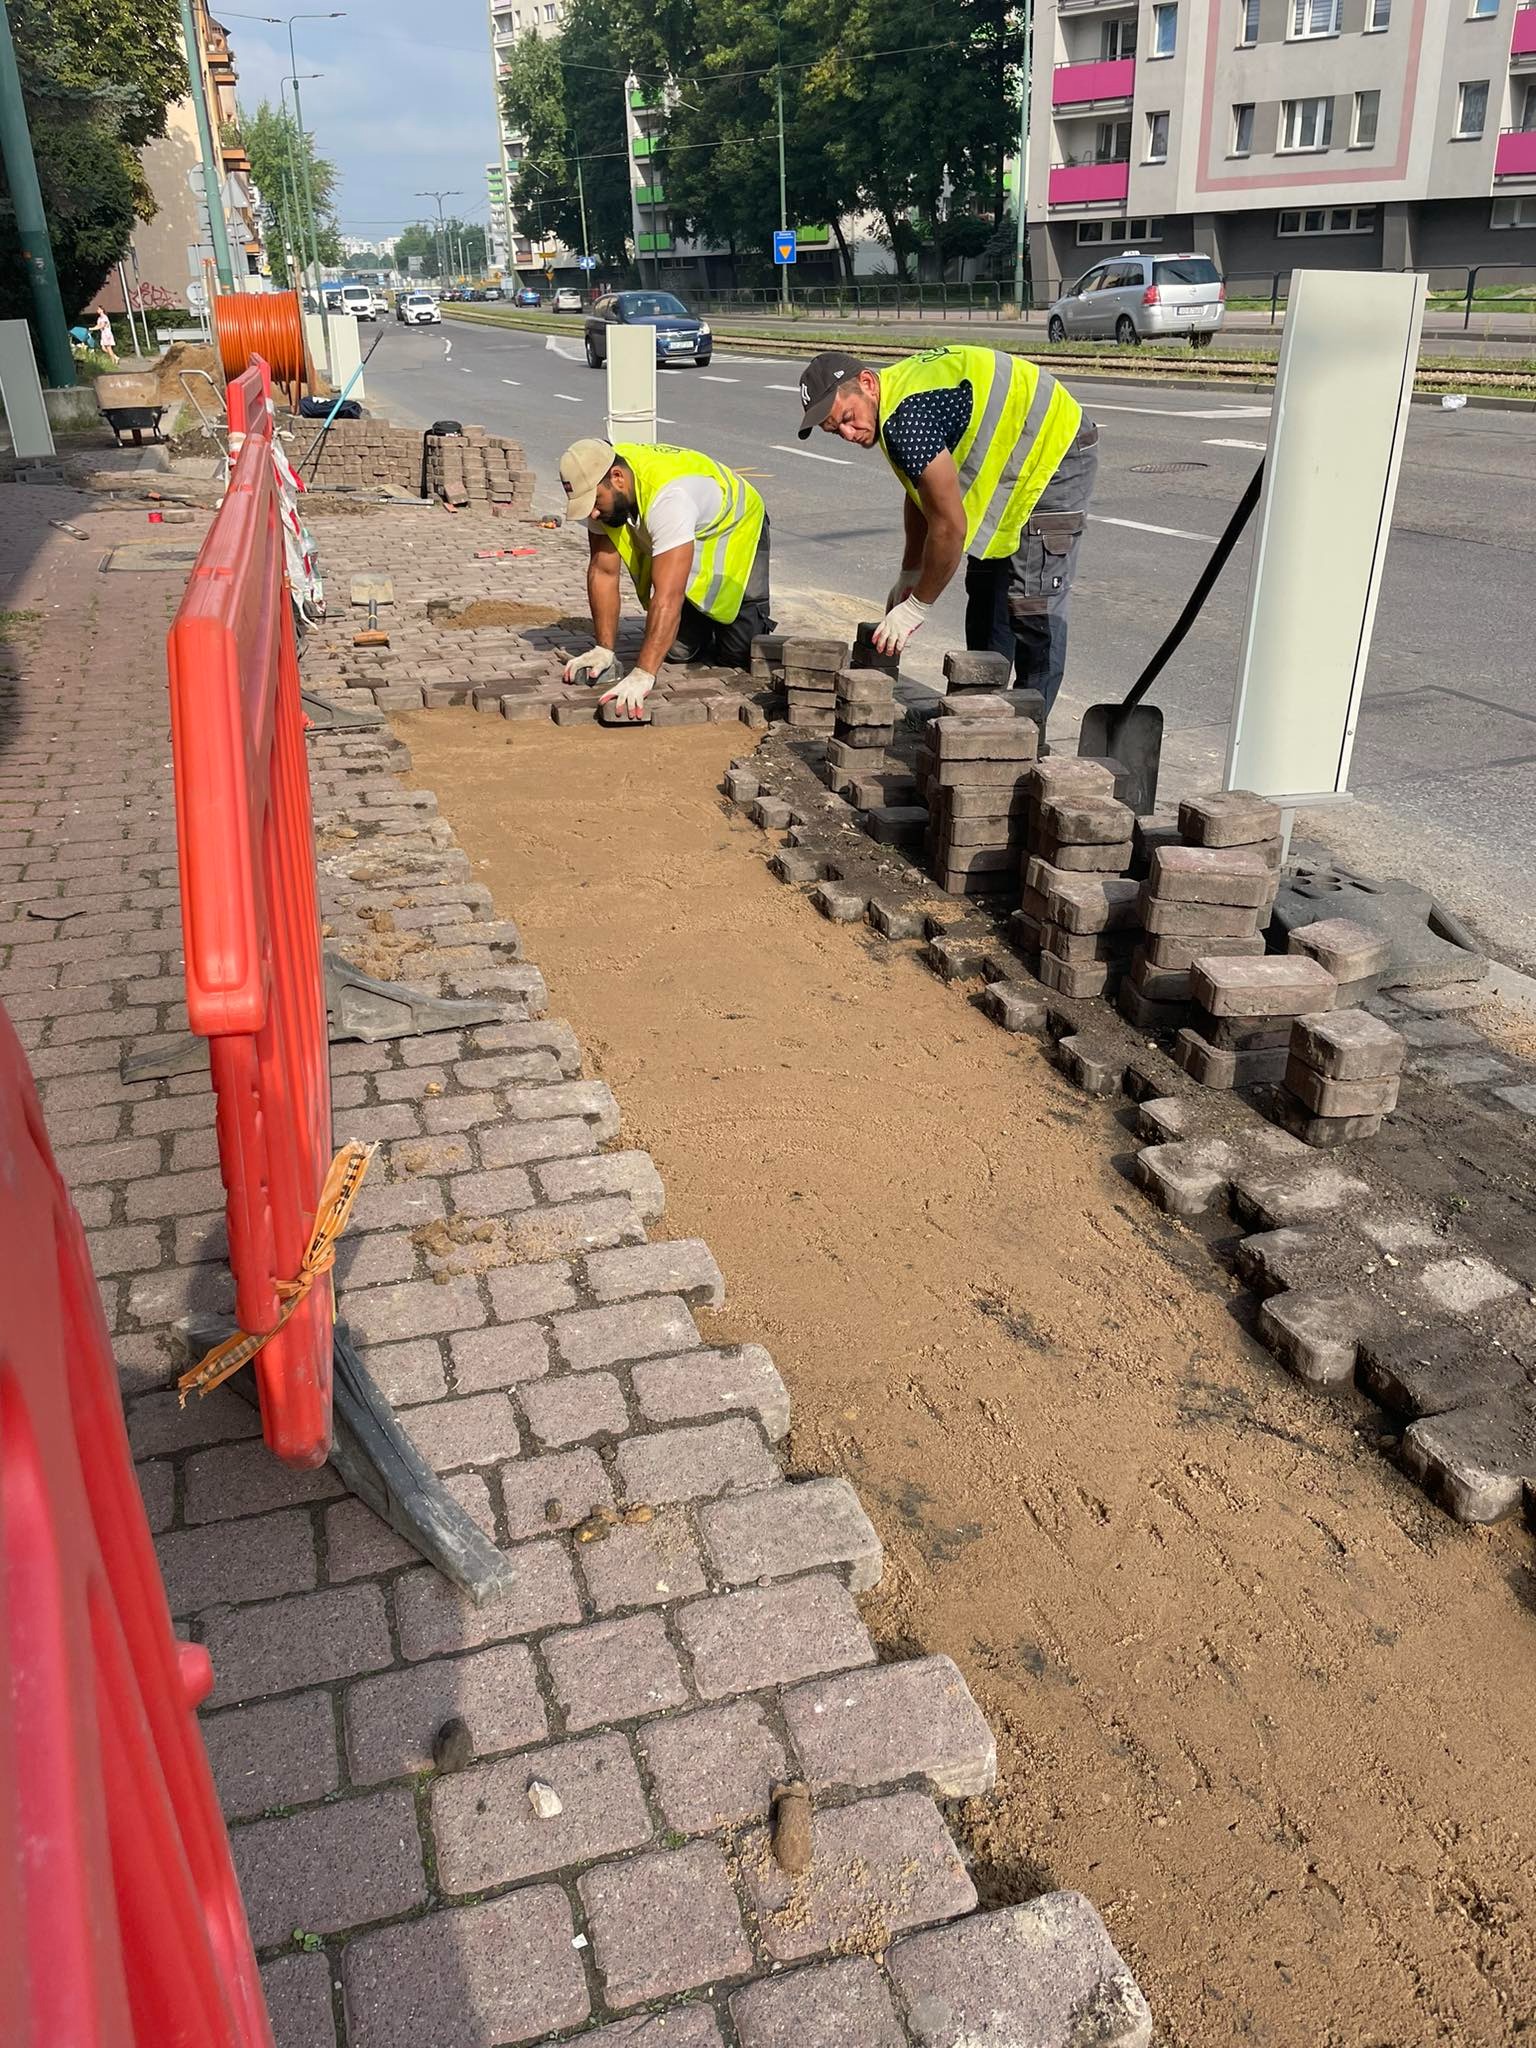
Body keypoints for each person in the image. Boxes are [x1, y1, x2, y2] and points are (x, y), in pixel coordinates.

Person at [796, 344, 1097, 714]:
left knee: (1033, 605)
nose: (847, 433)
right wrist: (911, 570)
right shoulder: (891, 403)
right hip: (1015, 464)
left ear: (867, 383)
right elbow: (922, 495)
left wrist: (916, 607)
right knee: (986, 588)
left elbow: (950, 528)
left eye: (846, 416)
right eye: (834, 430)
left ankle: (1025, 738)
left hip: (1055, 447)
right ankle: (979, 716)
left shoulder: (904, 420)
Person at [558, 436, 774, 721]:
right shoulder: (601, 482)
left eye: (595, 501)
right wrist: (604, 648)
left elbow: (667, 595)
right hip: (686, 532)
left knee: (738, 652)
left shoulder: (670, 498)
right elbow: (603, 571)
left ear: (618, 478)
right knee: (675, 651)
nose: (593, 513)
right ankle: (698, 619)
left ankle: (739, 620)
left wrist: (643, 674)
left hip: (737, 526)